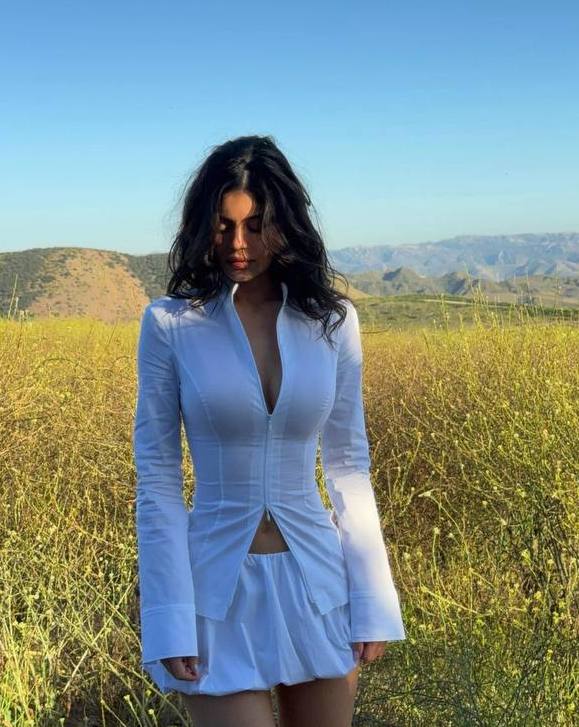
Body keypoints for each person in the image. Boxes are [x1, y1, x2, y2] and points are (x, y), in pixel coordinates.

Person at [132, 135, 406, 727]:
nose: (238, 244)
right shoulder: (170, 324)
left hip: (319, 587)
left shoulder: (333, 322)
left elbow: (348, 464)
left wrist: (373, 600)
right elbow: (156, 477)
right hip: (214, 594)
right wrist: (169, 617)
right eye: (223, 226)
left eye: (256, 226)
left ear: (286, 226)